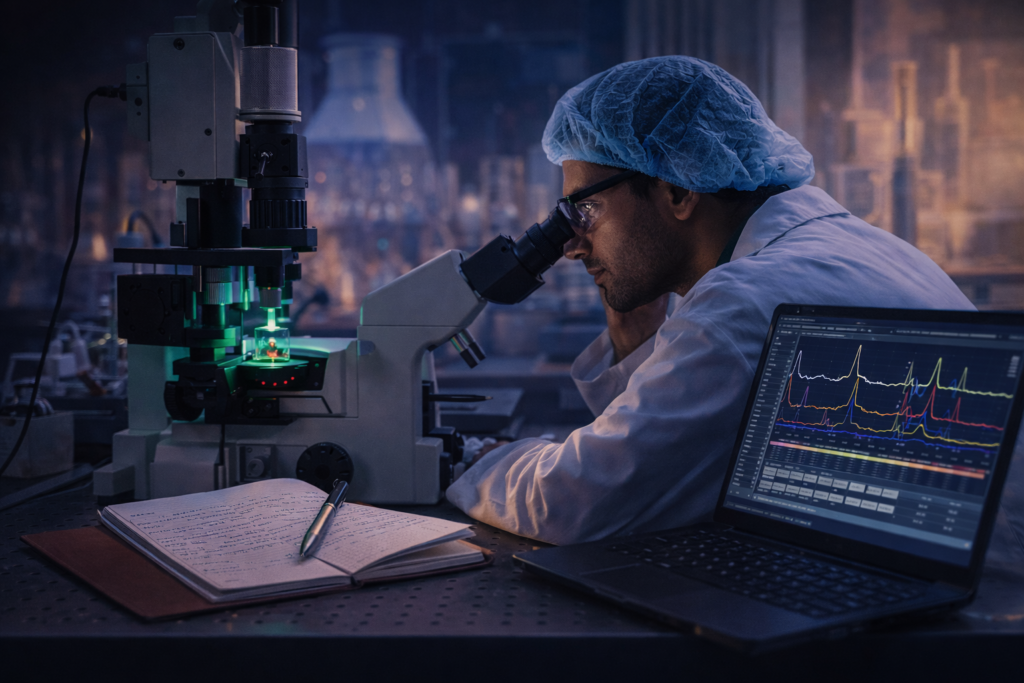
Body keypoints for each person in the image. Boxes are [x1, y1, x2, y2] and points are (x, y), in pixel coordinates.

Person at [445, 56, 973, 545]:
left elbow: (573, 505)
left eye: (587, 209)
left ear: (677, 190)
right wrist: (636, 341)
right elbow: (666, 455)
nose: (572, 245)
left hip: (958, 625)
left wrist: (471, 461)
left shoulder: (741, 303)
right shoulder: (857, 246)